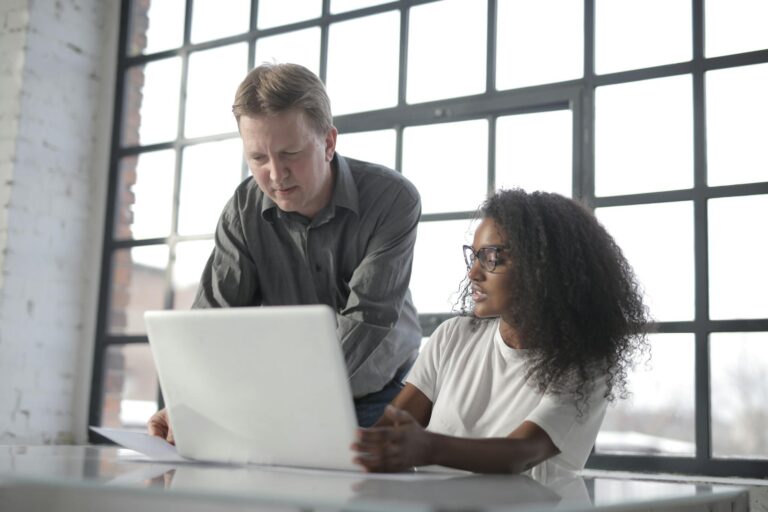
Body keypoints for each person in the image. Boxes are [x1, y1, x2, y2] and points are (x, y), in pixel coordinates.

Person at [148, 63, 422, 439]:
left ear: (328, 143)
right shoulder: (243, 211)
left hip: (382, 393)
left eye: (290, 153)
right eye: (258, 158)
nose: (276, 175)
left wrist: (283, 403)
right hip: (281, 397)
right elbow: (214, 321)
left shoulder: (392, 199)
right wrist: (189, 405)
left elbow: (367, 318)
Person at [352, 189, 650, 476]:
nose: (473, 273)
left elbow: (520, 453)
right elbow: (386, 431)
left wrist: (427, 447)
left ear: (542, 268)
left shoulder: (585, 364)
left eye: (492, 257)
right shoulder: (453, 336)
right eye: (474, 256)